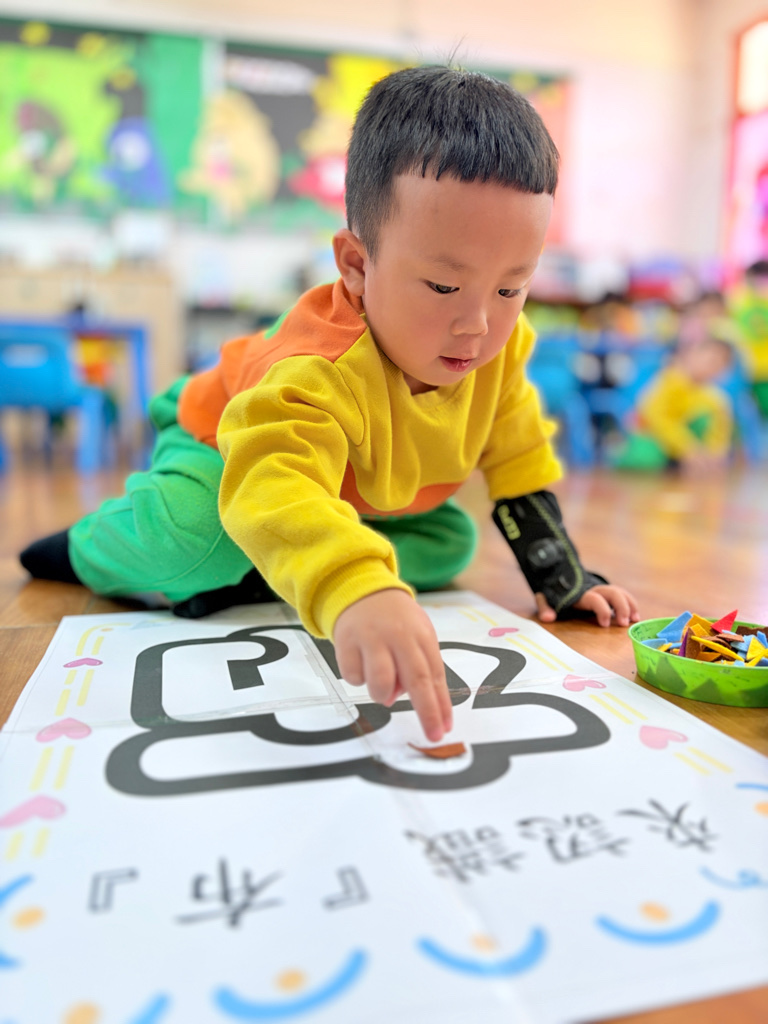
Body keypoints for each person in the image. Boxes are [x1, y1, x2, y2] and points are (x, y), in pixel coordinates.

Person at [20, 65, 639, 743]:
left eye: (511, 289)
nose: (478, 325)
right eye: (442, 287)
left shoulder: (501, 349)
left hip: (348, 491)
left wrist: (563, 577)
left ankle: (273, 565)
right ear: (356, 265)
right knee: (195, 544)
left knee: (447, 545)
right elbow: (272, 482)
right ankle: (85, 545)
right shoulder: (315, 365)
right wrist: (354, 587)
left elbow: (518, 457)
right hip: (229, 448)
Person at [611, 330, 735, 473]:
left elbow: (719, 433)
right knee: (644, 459)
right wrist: (686, 448)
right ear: (692, 354)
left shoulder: (716, 397)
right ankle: (620, 453)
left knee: (707, 420)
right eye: (711, 361)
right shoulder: (669, 379)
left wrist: (713, 455)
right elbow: (657, 418)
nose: (712, 368)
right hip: (654, 435)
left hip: (687, 445)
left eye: (720, 366)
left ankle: (683, 462)